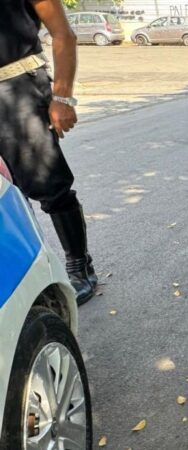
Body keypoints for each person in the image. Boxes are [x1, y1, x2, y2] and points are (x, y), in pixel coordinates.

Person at [0, 0, 97, 304]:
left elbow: (63, 34)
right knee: (6, 194)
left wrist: (63, 97)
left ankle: (79, 266)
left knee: (48, 184)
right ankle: (27, 275)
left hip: (20, 89)